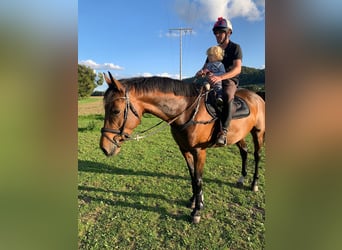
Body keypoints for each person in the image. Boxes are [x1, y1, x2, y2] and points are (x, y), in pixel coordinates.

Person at [196, 17, 242, 146]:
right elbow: (205, 67)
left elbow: (237, 68)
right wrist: (201, 72)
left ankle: (224, 132)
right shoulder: (213, 50)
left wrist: (221, 77)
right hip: (211, 80)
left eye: (220, 32)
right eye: (215, 32)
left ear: (228, 33)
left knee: (227, 96)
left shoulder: (235, 48)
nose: (217, 35)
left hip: (229, 80)